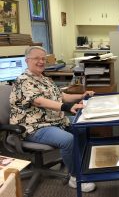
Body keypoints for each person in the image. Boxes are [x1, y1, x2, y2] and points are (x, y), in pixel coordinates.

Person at [9, 46, 96, 192]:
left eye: (43, 58)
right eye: (36, 58)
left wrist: (81, 96)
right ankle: (75, 178)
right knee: (68, 140)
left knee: (82, 127)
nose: (41, 61)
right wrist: (66, 107)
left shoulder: (44, 79)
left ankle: (79, 164)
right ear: (27, 61)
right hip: (34, 127)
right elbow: (39, 101)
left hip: (54, 120)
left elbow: (62, 96)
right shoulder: (23, 81)